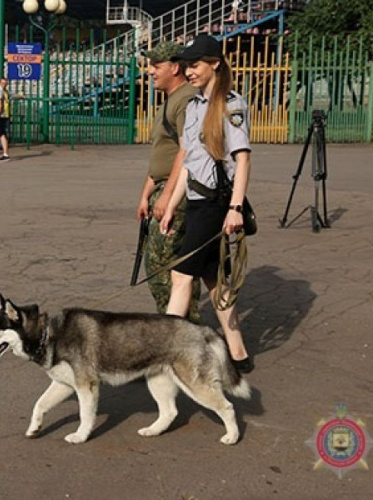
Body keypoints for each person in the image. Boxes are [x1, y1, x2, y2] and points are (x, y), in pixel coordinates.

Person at [159, 35, 254, 373]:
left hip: (218, 204)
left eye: (195, 64)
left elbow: (242, 160)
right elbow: (190, 163)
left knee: (181, 275)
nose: (189, 71)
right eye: (186, 65)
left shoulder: (230, 104)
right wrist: (171, 205)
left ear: (215, 63)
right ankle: (239, 353)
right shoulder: (196, 106)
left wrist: (236, 208)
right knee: (215, 281)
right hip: (198, 200)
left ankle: (162, 352)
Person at [135, 42, 201, 323]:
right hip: (162, 188)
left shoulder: (186, 99)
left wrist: (167, 196)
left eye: (156, 66)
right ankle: (181, 333)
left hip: (177, 192)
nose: (150, 71)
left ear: (175, 67)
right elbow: (162, 154)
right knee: (165, 265)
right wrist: (146, 194)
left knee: (166, 266)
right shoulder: (173, 99)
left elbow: (187, 151)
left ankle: (184, 333)